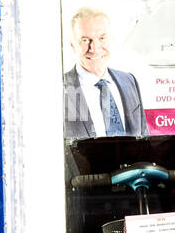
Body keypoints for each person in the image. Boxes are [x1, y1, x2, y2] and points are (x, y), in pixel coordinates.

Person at [63, 7, 148, 138]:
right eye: (85, 40)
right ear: (72, 45)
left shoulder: (129, 81)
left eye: (102, 38)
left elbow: (144, 140)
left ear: (111, 39)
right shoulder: (60, 89)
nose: (95, 48)